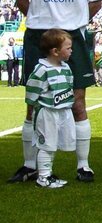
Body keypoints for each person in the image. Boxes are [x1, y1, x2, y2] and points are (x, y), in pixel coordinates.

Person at [9, 0, 102, 184]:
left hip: (73, 36)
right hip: (38, 36)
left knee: (78, 101)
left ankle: (83, 165)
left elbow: (95, 2)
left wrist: (70, 24)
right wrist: (45, 25)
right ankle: (29, 165)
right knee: (34, 103)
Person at [24, 29, 76, 189]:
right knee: (47, 144)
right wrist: (30, 112)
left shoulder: (66, 68)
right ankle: (43, 178)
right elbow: (32, 92)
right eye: (68, 48)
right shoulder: (42, 70)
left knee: (54, 144)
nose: (71, 51)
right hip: (47, 113)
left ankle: (48, 174)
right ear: (55, 51)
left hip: (63, 112)